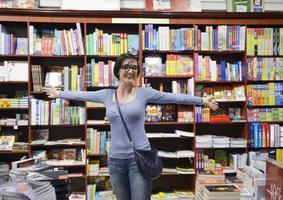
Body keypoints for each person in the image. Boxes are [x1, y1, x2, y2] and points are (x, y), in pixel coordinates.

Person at [43, 53, 218, 200]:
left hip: (139, 159)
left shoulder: (144, 93)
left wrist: (201, 100)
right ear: (117, 71)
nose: (131, 70)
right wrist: (59, 93)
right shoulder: (106, 95)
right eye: (126, 66)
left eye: (134, 67)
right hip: (115, 161)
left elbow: (173, 97)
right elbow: (82, 95)